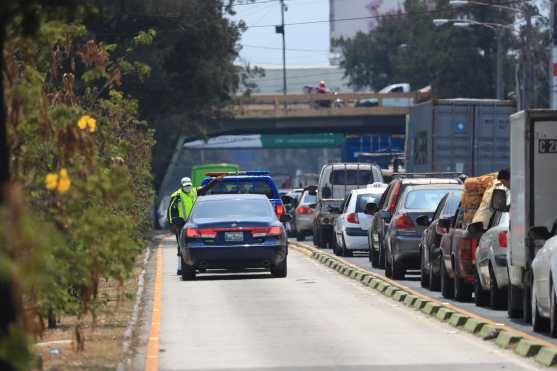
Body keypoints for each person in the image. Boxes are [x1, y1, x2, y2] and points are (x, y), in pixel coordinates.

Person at [167, 175, 223, 274]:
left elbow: (205, 188)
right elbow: (171, 210)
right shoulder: (176, 195)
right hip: (182, 223)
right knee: (181, 245)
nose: (187, 187)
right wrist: (172, 224)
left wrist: (215, 181)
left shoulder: (195, 191)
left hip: (195, 222)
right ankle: (180, 267)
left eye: (189, 185)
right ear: (181, 186)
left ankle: (198, 264)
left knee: (197, 243)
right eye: (185, 186)